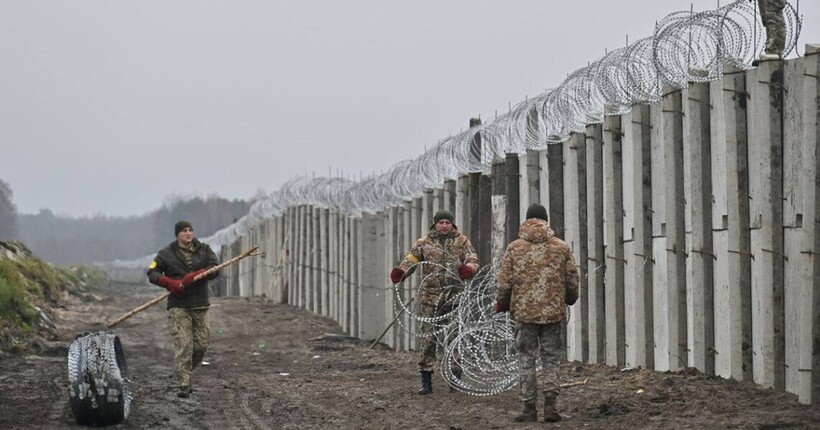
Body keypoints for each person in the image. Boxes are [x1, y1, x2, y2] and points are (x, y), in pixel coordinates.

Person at [495, 204, 579, 422]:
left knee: (526, 358)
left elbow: (504, 281)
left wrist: (502, 302)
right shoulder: (560, 247)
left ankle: (528, 408)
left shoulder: (514, 248)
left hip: (524, 314)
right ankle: (551, 407)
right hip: (552, 312)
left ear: (526, 220)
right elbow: (572, 277)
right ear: (545, 220)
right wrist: (570, 297)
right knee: (551, 358)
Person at [390, 209, 479, 395]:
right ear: (435, 224)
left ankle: (455, 379)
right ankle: (426, 379)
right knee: (428, 339)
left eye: (447, 222)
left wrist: (468, 269)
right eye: (441, 222)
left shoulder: (462, 242)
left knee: (455, 338)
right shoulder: (424, 243)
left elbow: (473, 259)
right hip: (431, 299)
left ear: (452, 224)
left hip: (454, 298)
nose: (444, 226)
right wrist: (401, 272)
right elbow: (411, 260)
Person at [147, 220, 220, 398]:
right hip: (179, 306)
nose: (188, 233)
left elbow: (215, 268)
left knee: (201, 345)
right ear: (177, 235)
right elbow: (152, 273)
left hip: (200, 304)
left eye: (190, 230)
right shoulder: (166, 254)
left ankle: (184, 370)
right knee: (184, 344)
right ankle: (183, 383)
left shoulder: (204, 250)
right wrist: (169, 283)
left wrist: (197, 275)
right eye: (184, 231)